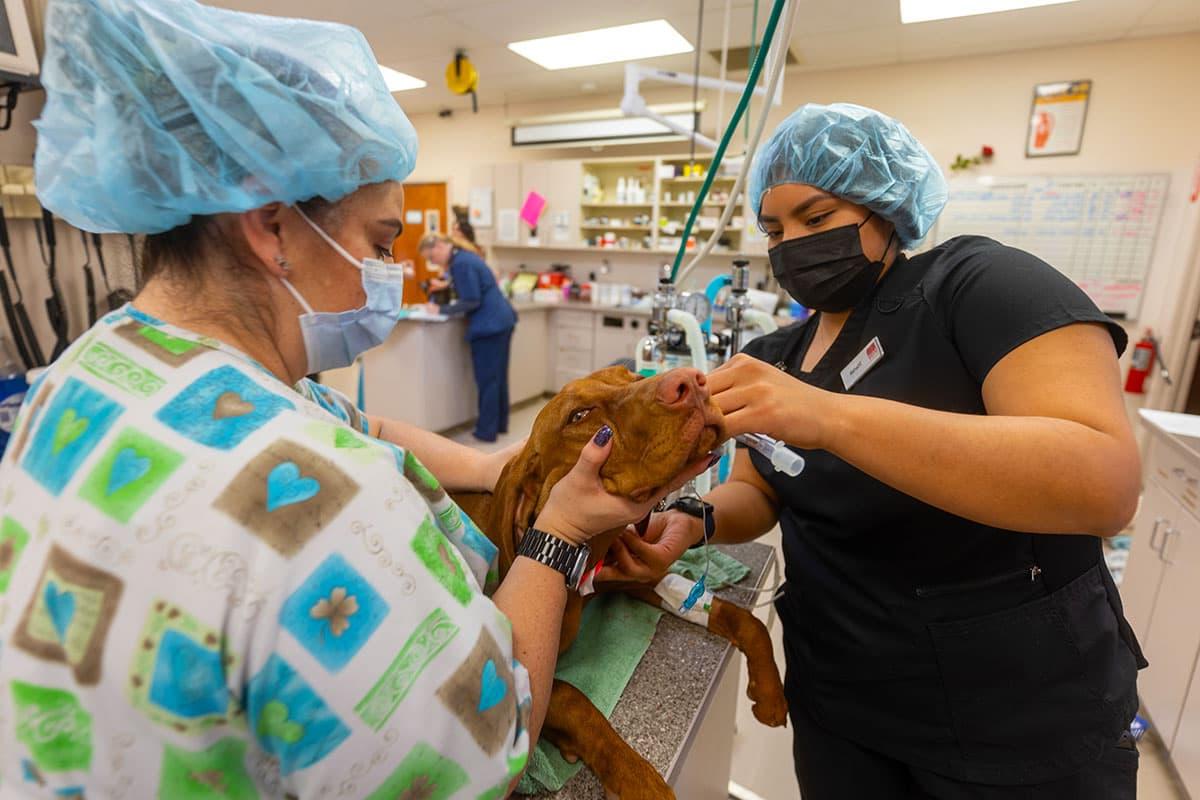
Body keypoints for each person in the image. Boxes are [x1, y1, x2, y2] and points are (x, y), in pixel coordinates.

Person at [0, 1, 705, 797]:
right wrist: (559, 533)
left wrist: (498, 462)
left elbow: (356, 421)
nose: (388, 274)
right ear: (272, 228)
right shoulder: (319, 505)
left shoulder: (86, 374)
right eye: (378, 243)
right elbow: (487, 749)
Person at [599, 103, 1146, 799]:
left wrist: (829, 416)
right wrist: (697, 520)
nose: (791, 243)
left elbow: (1103, 483)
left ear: (885, 207)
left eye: (817, 218)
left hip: (1018, 711)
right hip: (845, 701)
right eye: (774, 229)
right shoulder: (777, 354)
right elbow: (765, 489)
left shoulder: (978, 286)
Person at [420, 232, 517, 443]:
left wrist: (441, 310)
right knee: (498, 378)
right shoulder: (466, 257)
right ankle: (499, 424)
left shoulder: (461, 263)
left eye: (431, 258)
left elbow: (472, 299)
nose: (433, 263)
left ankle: (486, 431)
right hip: (501, 320)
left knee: (488, 380)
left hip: (489, 326)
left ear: (438, 246)